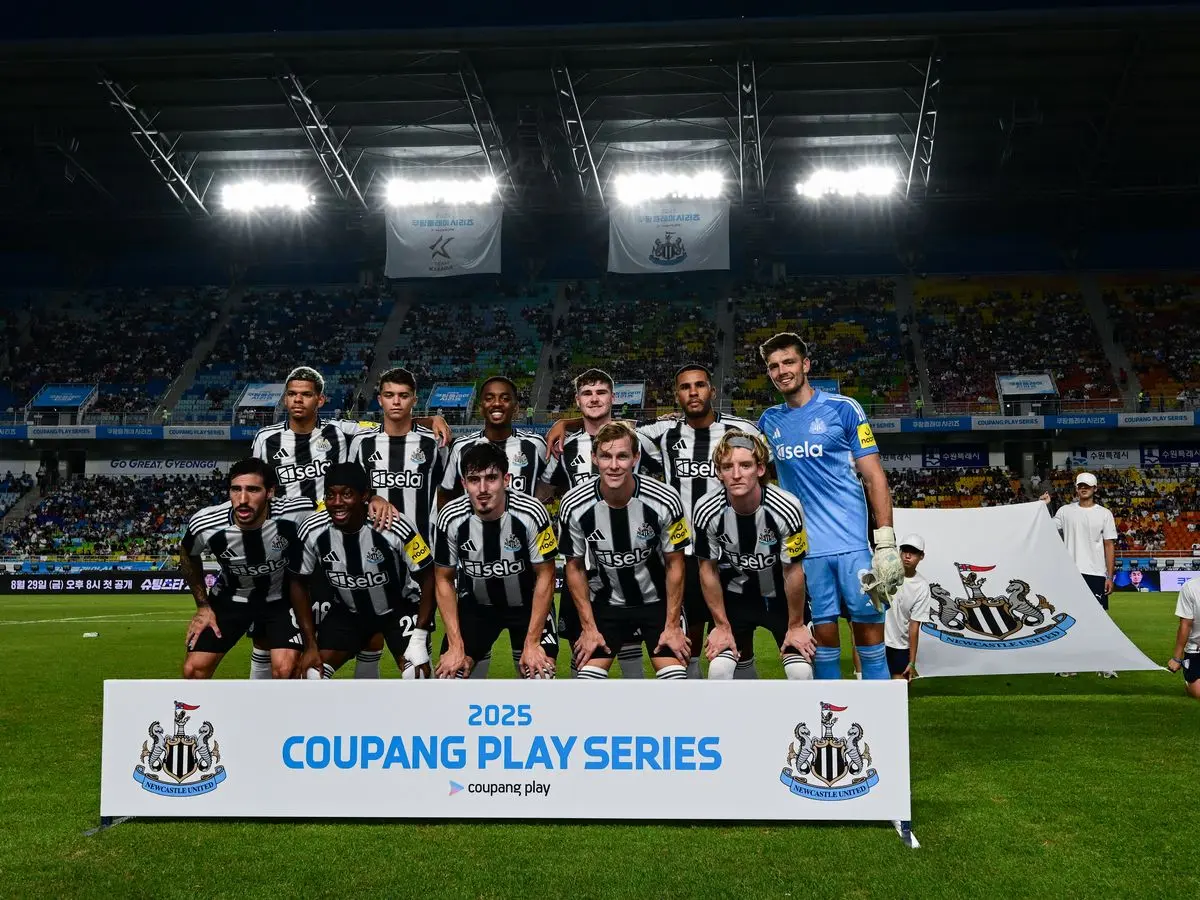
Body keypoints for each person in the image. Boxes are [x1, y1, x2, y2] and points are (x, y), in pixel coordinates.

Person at [548, 364, 762, 680]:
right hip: (671, 558)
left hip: (729, 553)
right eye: (685, 387)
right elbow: (609, 431)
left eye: (700, 385)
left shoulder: (741, 430)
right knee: (684, 648)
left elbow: (762, 474)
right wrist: (565, 422)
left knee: (738, 641)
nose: (693, 392)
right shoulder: (660, 432)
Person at [251, 365, 447, 680]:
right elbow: (256, 487)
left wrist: (430, 419)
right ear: (285, 399)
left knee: (380, 641)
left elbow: (395, 420)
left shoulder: (342, 432)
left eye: (306, 394)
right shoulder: (266, 439)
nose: (299, 400)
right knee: (276, 645)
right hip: (308, 551)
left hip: (400, 557)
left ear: (320, 400)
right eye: (292, 394)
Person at [757, 332, 902, 681]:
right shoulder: (768, 421)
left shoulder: (844, 409)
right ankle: (827, 717)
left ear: (805, 365)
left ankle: (878, 714)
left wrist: (885, 542)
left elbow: (874, 477)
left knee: (870, 643)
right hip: (806, 553)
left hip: (853, 547)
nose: (782, 371)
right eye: (773, 366)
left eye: (789, 362)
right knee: (822, 646)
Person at [557, 422, 692, 679]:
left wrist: (673, 625)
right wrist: (589, 628)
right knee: (587, 681)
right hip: (605, 605)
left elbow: (675, 564)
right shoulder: (573, 504)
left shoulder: (665, 499)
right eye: (605, 456)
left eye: (622, 456)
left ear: (636, 458)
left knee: (674, 679)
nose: (614, 465)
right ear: (594, 458)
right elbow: (574, 568)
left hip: (657, 604)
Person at [537, 368, 648, 678]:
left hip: (630, 561)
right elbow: (543, 492)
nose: (594, 399)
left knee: (631, 650)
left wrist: (563, 422)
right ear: (578, 400)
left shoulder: (638, 440)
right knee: (581, 648)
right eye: (587, 393)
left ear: (613, 398)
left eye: (601, 392)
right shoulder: (566, 448)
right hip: (582, 565)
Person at [439, 375, 548, 678]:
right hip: (477, 581)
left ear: (516, 405)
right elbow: (446, 494)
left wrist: (567, 423)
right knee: (452, 671)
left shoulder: (535, 445)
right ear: (480, 405)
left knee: (540, 671)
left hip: (525, 576)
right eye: (489, 397)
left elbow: (549, 486)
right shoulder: (462, 447)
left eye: (504, 397)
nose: (497, 403)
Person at [291, 462, 436, 680]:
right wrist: (310, 645)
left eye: (347, 494)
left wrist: (419, 637)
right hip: (348, 612)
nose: (337, 502)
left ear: (364, 495)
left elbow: (429, 576)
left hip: (398, 609)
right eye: (330, 495)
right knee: (312, 674)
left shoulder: (395, 525)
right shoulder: (312, 529)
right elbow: (297, 582)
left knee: (416, 674)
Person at [692, 429, 815, 680]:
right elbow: (707, 569)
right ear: (718, 472)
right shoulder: (706, 509)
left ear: (760, 469)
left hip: (780, 600)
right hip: (734, 599)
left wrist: (796, 626)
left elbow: (793, 571)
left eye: (745, 465)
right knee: (718, 670)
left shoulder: (787, 507)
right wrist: (721, 625)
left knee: (800, 671)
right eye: (727, 466)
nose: (736, 474)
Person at [178, 458, 315, 680]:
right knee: (193, 670)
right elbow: (187, 554)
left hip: (280, 601)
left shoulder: (297, 513)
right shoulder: (206, 523)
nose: (242, 499)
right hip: (229, 600)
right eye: (236, 489)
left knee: (285, 669)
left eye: (253, 490)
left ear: (270, 492)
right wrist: (203, 606)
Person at [433, 443, 559, 679]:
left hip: (528, 607)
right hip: (477, 608)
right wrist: (456, 645)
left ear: (506, 480)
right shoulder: (450, 517)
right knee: (448, 675)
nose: (482, 488)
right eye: (474, 480)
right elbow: (443, 579)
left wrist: (532, 643)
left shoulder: (532, 512)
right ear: (463, 484)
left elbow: (546, 574)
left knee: (540, 674)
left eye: (491, 478)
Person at [349, 367, 446, 537]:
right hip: (374, 542)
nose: (396, 401)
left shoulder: (434, 442)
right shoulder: (362, 442)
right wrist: (372, 498)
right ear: (380, 400)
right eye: (389, 395)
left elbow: (448, 490)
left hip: (422, 543)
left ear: (414, 400)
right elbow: (352, 491)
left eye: (403, 396)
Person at [1040, 471, 1117, 678]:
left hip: (1096, 573)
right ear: (1076, 488)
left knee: (1100, 620)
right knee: (1069, 619)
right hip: (1070, 573)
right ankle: (1069, 663)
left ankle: (1104, 663)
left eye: (1087, 486)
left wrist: (1109, 576)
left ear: (1095, 489)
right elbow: (1047, 528)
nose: (1083, 488)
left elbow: (1109, 545)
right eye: (1080, 485)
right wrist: (1044, 506)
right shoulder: (1065, 511)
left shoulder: (1104, 514)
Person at [884, 534, 933, 681]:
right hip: (878, 642)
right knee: (874, 688)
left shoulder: (922, 587)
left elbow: (914, 626)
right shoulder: (885, 572)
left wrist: (911, 662)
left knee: (900, 688)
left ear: (921, 556)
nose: (907, 556)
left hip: (900, 646)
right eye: (905, 550)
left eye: (913, 552)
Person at [1166, 575, 1200, 701]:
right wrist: (1177, 658)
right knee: (1198, 693)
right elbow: (1185, 624)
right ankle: (1190, 683)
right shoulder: (1191, 587)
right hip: (1196, 649)